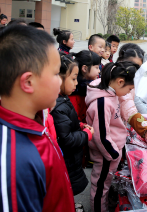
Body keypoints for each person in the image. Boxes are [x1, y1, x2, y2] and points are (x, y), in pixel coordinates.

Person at [0, 25, 75, 212]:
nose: (60, 81)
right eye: (56, 74)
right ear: (28, 82)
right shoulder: (12, 166)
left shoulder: (29, 122)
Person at [87, 61, 146, 212]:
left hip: (111, 151)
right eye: (129, 89)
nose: (128, 93)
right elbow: (101, 134)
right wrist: (113, 154)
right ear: (120, 82)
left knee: (105, 184)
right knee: (100, 187)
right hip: (106, 155)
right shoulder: (102, 102)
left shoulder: (111, 93)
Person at [50, 53, 94, 199]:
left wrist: (80, 125)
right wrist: (86, 135)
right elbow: (66, 139)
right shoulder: (57, 105)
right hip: (66, 161)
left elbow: (66, 125)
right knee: (65, 193)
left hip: (71, 160)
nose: (76, 83)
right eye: (74, 79)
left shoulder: (62, 98)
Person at [70, 50, 101, 122]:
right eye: (96, 68)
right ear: (85, 68)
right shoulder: (74, 91)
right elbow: (75, 118)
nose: (99, 71)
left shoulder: (88, 85)